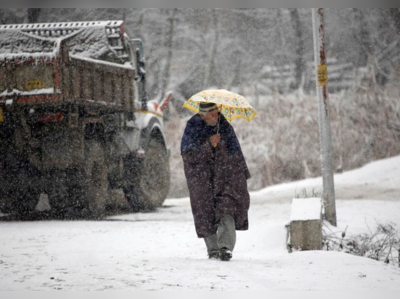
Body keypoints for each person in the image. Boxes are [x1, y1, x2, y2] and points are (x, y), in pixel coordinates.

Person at [181, 102, 251, 261]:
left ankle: (226, 247)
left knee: (227, 208)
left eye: (217, 113)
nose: (216, 117)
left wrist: (238, 174)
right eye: (212, 114)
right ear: (202, 115)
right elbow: (189, 156)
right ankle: (213, 249)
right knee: (205, 212)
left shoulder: (224, 126)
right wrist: (209, 145)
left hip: (225, 177)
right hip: (202, 179)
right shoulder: (192, 127)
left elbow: (235, 152)